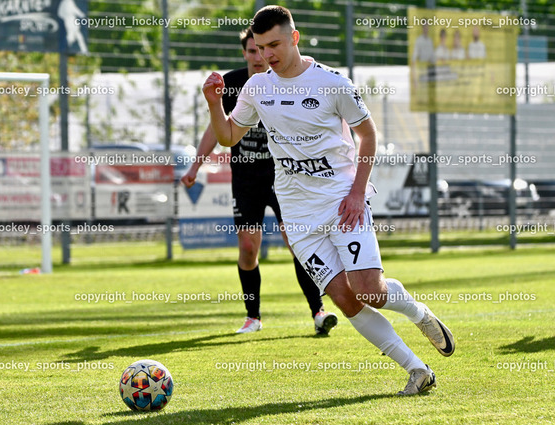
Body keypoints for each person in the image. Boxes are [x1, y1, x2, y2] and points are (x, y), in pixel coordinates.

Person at [202, 5, 455, 395]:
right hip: (298, 214)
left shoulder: (332, 83)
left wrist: (357, 192)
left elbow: (368, 135)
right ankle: (417, 370)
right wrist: (213, 101)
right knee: (344, 298)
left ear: (294, 38)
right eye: (261, 47)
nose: (267, 54)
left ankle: (418, 313)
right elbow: (228, 136)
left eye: (274, 45)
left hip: (341, 202)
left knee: (369, 290)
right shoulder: (256, 87)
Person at [182, 27, 338, 335]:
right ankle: (252, 316)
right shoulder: (233, 83)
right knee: (248, 246)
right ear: (245, 53)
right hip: (247, 180)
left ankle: (318, 311)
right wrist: (195, 165)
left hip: (284, 178)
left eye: (263, 49)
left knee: (297, 244)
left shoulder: (285, 81)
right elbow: (217, 127)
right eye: (252, 51)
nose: (258, 57)